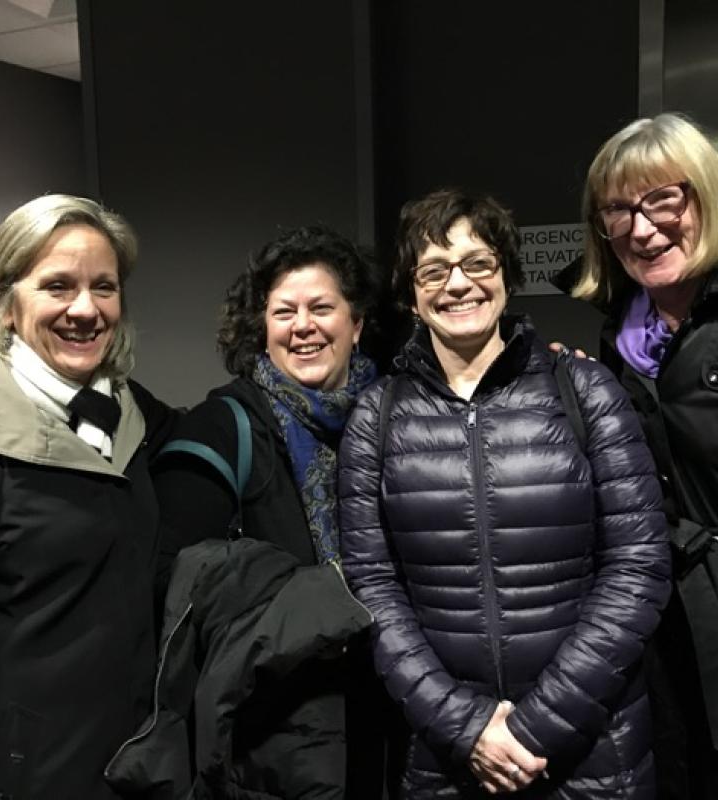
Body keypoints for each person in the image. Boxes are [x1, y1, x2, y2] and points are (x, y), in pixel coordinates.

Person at [338, 187, 672, 797]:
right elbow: (370, 587)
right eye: (433, 270)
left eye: (477, 263)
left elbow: (639, 565)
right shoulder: (376, 417)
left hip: (593, 744)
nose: (457, 284)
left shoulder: (585, 391)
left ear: (507, 275)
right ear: (411, 294)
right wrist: (465, 726)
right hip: (448, 756)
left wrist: (535, 727)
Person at [0, 194, 174, 799]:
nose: (85, 309)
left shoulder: (134, 414)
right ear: (7, 304)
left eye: (103, 288)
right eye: (57, 286)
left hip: (130, 765)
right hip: (15, 775)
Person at [151, 225, 389, 797]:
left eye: (321, 307)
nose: (302, 325)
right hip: (268, 744)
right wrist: (325, 600)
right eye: (284, 311)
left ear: (355, 325)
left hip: (384, 725)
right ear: (262, 329)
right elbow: (173, 583)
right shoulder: (221, 428)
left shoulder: (394, 420)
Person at [554, 112, 718, 799]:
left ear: (704, 198)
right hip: (669, 618)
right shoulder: (618, 342)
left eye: (662, 200)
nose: (642, 229)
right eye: (618, 211)